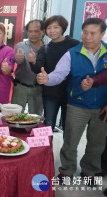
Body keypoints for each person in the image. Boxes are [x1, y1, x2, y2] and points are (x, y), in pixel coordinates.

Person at [36, 18, 107, 182]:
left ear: (102, 34)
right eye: (85, 32)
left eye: (93, 33)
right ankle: (66, 170)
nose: (88, 37)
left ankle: (89, 172)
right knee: (71, 140)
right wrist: (47, 79)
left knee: (97, 143)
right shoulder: (72, 53)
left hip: (102, 106)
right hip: (78, 103)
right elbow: (59, 74)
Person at [28, 15, 79, 130]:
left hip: (70, 92)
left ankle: (67, 148)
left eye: (55, 27)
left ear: (62, 28)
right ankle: (48, 148)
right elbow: (38, 69)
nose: (52, 31)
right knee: (48, 124)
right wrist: (33, 61)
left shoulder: (74, 45)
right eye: (49, 28)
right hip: (51, 92)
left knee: (69, 126)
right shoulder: (45, 48)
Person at [11, 20, 44, 115]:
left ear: (43, 31)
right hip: (21, 86)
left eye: (36, 31)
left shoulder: (47, 47)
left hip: (38, 89)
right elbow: (18, 61)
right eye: (30, 31)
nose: (33, 34)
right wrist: (18, 58)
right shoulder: (20, 45)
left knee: (36, 117)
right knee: (15, 116)